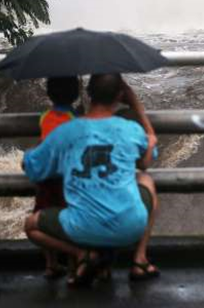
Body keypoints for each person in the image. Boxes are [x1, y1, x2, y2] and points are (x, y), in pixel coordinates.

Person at [23, 74, 160, 286]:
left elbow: (32, 168)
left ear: (87, 93)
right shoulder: (130, 129)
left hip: (81, 230)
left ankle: (82, 253)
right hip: (129, 228)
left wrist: (39, 146)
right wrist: (143, 120)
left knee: (31, 225)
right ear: (119, 96)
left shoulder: (66, 131)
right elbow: (147, 160)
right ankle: (139, 259)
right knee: (146, 180)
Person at [35, 77, 80, 280]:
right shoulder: (74, 119)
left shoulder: (44, 117)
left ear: (49, 94)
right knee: (70, 219)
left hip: (46, 177)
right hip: (66, 177)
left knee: (43, 214)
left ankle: (50, 264)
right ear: (76, 94)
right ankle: (73, 265)